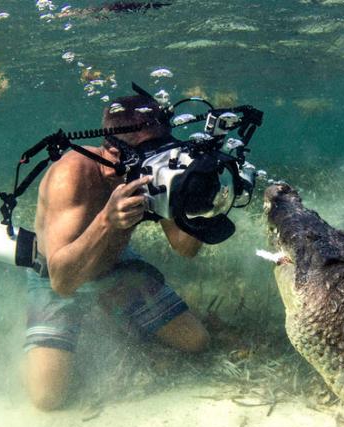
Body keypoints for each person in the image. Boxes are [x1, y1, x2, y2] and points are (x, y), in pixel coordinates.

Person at [25, 94, 209, 410]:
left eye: (160, 148)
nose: (156, 159)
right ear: (113, 151)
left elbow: (185, 248)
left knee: (197, 342)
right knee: (47, 398)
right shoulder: (71, 175)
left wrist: (200, 200)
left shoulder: (156, 170)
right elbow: (62, 281)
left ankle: (112, 302)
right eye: (144, 151)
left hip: (116, 265)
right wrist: (107, 221)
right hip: (55, 270)